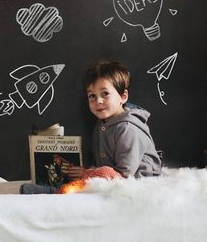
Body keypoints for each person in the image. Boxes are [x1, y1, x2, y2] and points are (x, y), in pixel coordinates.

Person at [20, 60, 162, 194]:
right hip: (114, 178)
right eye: (92, 96)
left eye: (105, 94)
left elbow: (124, 176)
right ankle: (55, 188)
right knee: (81, 181)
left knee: (87, 189)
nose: (98, 101)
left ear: (123, 96)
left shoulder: (128, 129)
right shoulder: (102, 123)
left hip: (138, 184)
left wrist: (87, 174)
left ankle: (53, 193)